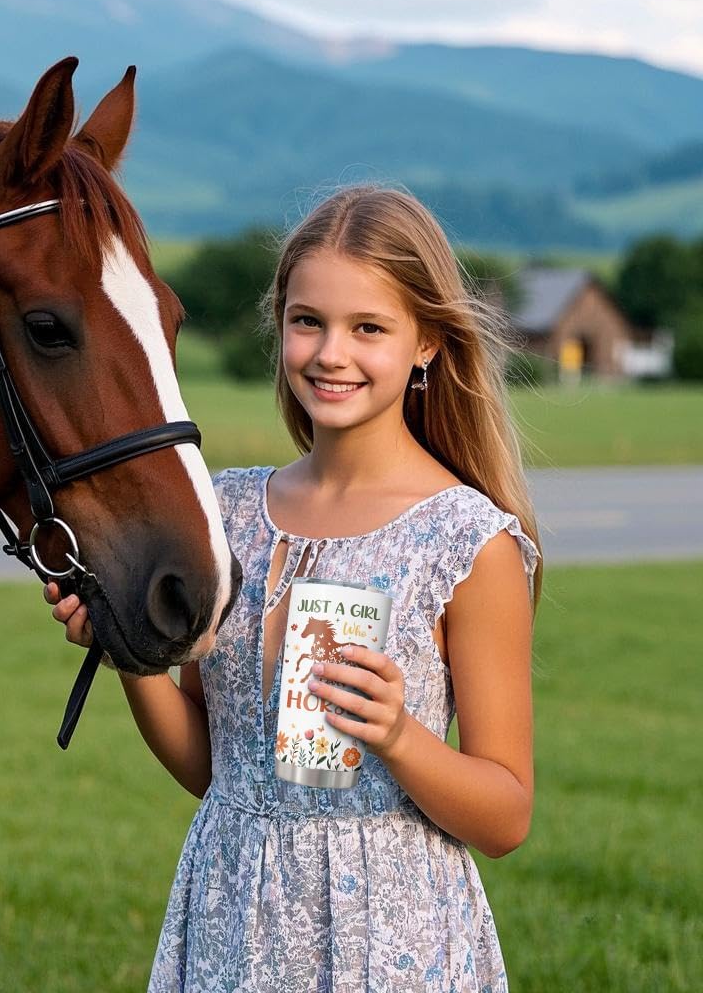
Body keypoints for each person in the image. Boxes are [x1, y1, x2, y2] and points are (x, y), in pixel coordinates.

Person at [45, 186, 543, 992]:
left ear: (426, 345)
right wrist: (128, 651)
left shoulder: (465, 541)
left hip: (390, 938)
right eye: (307, 320)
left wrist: (400, 736)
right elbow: (216, 769)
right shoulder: (229, 512)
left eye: (368, 328)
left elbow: (506, 816)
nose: (330, 353)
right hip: (228, 916)